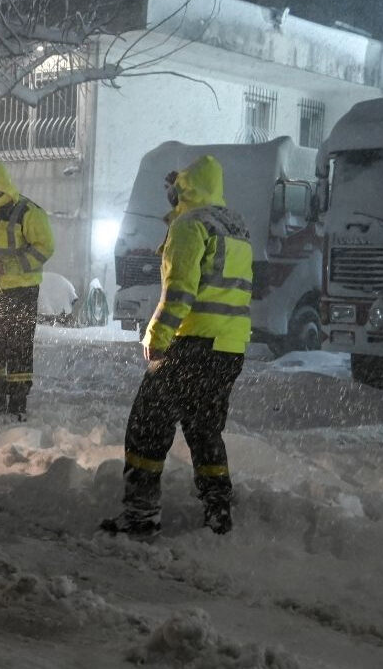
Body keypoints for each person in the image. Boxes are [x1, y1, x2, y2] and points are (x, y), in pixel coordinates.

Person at [101, 155, 253, 538]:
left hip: (193, 343)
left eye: (175, 190)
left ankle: (140, 516)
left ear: (183, 192)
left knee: (147, 425)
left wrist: (157, 337)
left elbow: (180, 291)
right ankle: (218, 512)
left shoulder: (189, 227)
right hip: (230, 347)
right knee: (204, 429)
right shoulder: (234, 227)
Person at [0, 159, 54, 420]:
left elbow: (44, 248)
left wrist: (9, 266)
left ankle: (17, 402)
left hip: (20, 291)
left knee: (17, 348)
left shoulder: (28, 212)